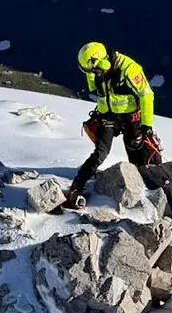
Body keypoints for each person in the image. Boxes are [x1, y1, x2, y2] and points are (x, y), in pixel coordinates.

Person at [63, 42, 163, 210]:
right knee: (100, 153)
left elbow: (146, 95)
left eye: (94, 70)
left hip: (131, 118)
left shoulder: (129, 69)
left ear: (102, 62)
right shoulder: (96, 67)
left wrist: (146, 125)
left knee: (135, 151)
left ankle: (146, 190)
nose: (93, 74)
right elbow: (94, 86)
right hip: (108, 115)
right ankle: (76, 188)